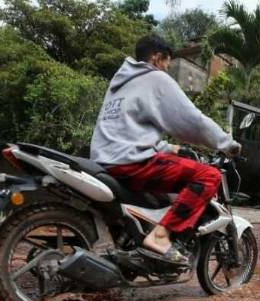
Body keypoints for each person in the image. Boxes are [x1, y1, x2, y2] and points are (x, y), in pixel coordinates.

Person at [90, 35, 242, 265]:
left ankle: (136, 237)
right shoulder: (155, 78)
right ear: (156, 57)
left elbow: (129, 128)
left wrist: (171, 148)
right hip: (130, 163)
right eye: (166, 63)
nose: (166, 69)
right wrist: (226, 144)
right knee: (207, 175)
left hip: (104, 159)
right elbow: (192, 121)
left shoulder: (121, 81)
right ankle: (160, 236)